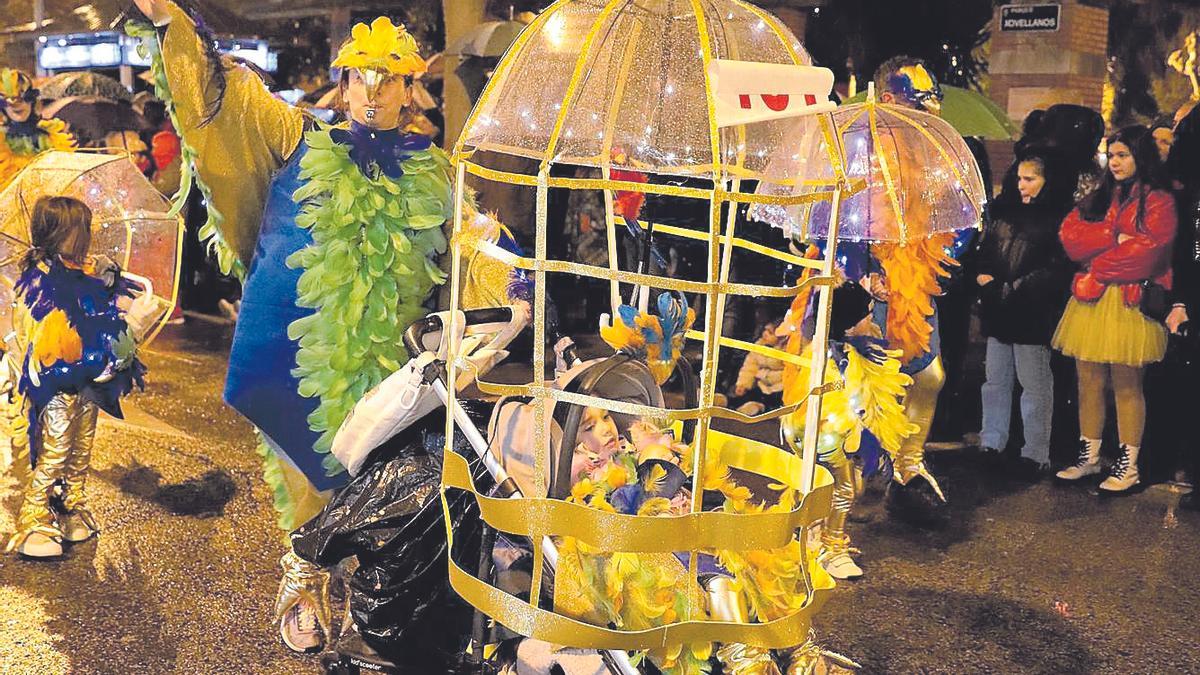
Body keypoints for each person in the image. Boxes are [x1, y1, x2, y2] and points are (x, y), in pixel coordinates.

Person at [131, 0, 452, 652]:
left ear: (408, 90)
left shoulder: (432, 168)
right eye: (358, 77)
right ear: (340, 84)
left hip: (387, 342)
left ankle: (364, 587)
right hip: (301, 339)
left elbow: (461, 240)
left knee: (381, 468)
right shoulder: (302, 137)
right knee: (309, 465)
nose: (371, 92)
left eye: (386, 79)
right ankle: (306, 566)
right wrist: (172, 23)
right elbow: (228, 112)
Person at [5, 196, 148, 558]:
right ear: (59, 233)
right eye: (81, 228)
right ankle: (34, 516)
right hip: (55, 385)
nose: (89, 234)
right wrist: (122, 329)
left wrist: (109, 284)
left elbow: (97, 317)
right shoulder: (39, 282)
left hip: (88, 383)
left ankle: (71, 503)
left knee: (81, 447)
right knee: (55, 450)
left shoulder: (80, 272)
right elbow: (57, 343)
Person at [1053, 126, 1177, 492]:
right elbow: (1070, 238)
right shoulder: (1099, 195)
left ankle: (1128, 464)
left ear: (1141, 156)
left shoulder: (1159, 199)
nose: (1117, 162)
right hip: (1092, 299)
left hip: (1128, 300)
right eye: (1114, 155)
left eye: (1124, 155)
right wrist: (1112, 238)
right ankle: (1089, 456)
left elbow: (1149, 253)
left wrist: (1098, 266)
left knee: (1126, 384)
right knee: (1088, 380)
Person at [975, 151, 1074, 478]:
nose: (1022, 185)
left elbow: (1055, 269)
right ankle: (992, 441)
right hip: (1001, 309)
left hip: (1031, 314)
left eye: (1030, 179)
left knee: (1034, 384)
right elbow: (988, 251)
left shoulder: (1058, 218)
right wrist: (987, 281)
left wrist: (1011, 288)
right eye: (1020, 178)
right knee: (996, 381)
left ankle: (1034, 452)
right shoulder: (1006, 212)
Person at [0, 68, 74, 189]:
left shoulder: (50, 135)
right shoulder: (1, 140)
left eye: (23, 97)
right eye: (9, 100)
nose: (17, 104)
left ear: (32, 100)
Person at [730, 320, 784, 416]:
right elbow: (750, 366)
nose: (765, 334)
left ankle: (760, 408)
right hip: (761, 384)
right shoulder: (759, 345)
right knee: (746, 394)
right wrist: (743, 384)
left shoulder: (785, 350)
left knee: (774, 403)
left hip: (778, 387)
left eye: (770, 333)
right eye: (765, 330)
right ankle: (726, 401)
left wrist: (767, 375)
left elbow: (787, 373)